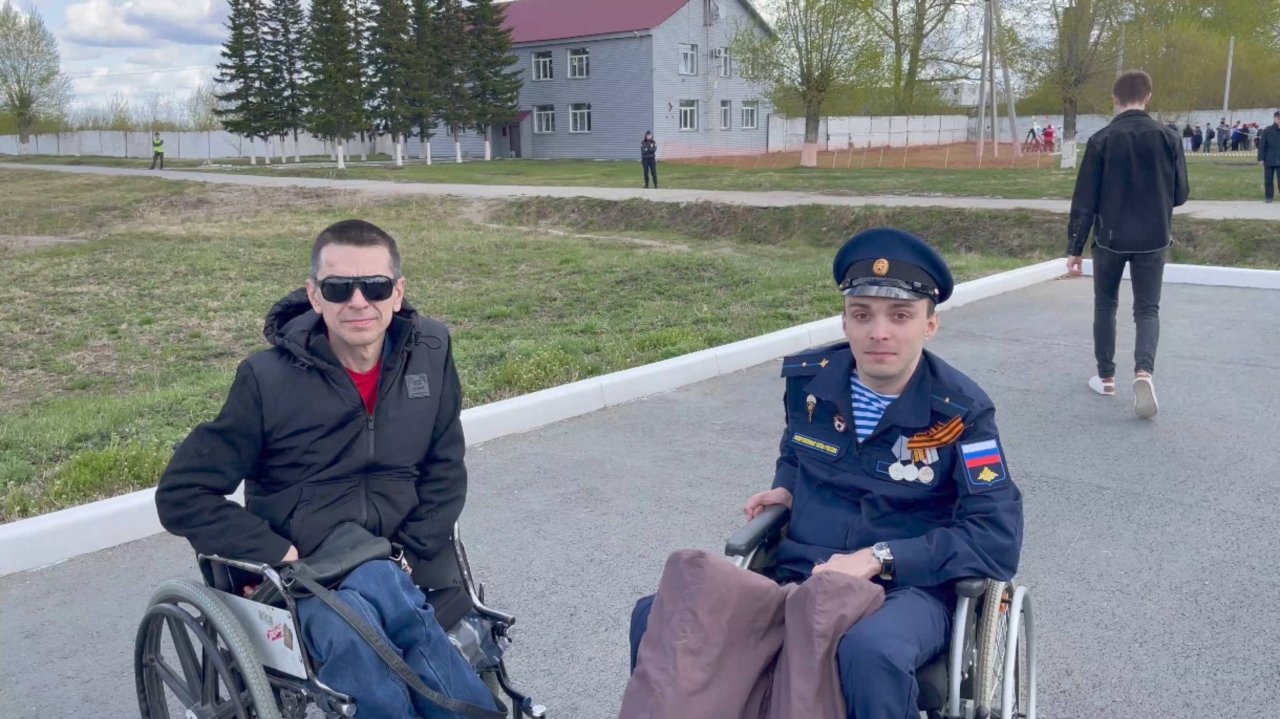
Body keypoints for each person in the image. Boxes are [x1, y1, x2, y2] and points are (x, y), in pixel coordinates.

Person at [629, 227, 1024, 718]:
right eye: (862, 314)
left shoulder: (962, 412)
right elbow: (796, 451)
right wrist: (785, 488)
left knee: (871, 650)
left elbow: (995, 537)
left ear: (930, 325)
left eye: (900, 315)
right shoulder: (809, 383)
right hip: (802, 573)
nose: (879, 331)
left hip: (907, 590)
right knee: (659, 614)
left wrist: (878, 558)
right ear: (845, 320)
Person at [155, 220, 500, 719]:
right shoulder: (266, 380)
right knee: (352, 629)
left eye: (375, 286)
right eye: (339, 288)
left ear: (397, 292)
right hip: (306, 571)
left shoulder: (431, 350)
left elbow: (445, 465)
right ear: (315, 295)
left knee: (390, 594)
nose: (359, 302)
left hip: (401, 554)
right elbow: (183, 494)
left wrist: (411, 550)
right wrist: (274, 552)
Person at [1066, 70, 1188, 418]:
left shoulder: (1101, 140)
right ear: (1148, 97)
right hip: (1154, 237)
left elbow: (1084, 200)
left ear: (1114, 98)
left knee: (1105, 305)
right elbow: (1180, 194)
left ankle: (1106, 377)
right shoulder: (1169, 138)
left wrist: (1075, 247)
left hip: (1110, 238)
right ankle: (1143, 373)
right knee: (1147, 309)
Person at [1258, 110, 1280, 203]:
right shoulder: (1267, 130)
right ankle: (1269, 197)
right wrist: (1260, 158)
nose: (1279, 120)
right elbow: (1262, 145)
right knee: (1268, 180)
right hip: (1269, 159)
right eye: (1278, 118)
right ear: (1274, 119)